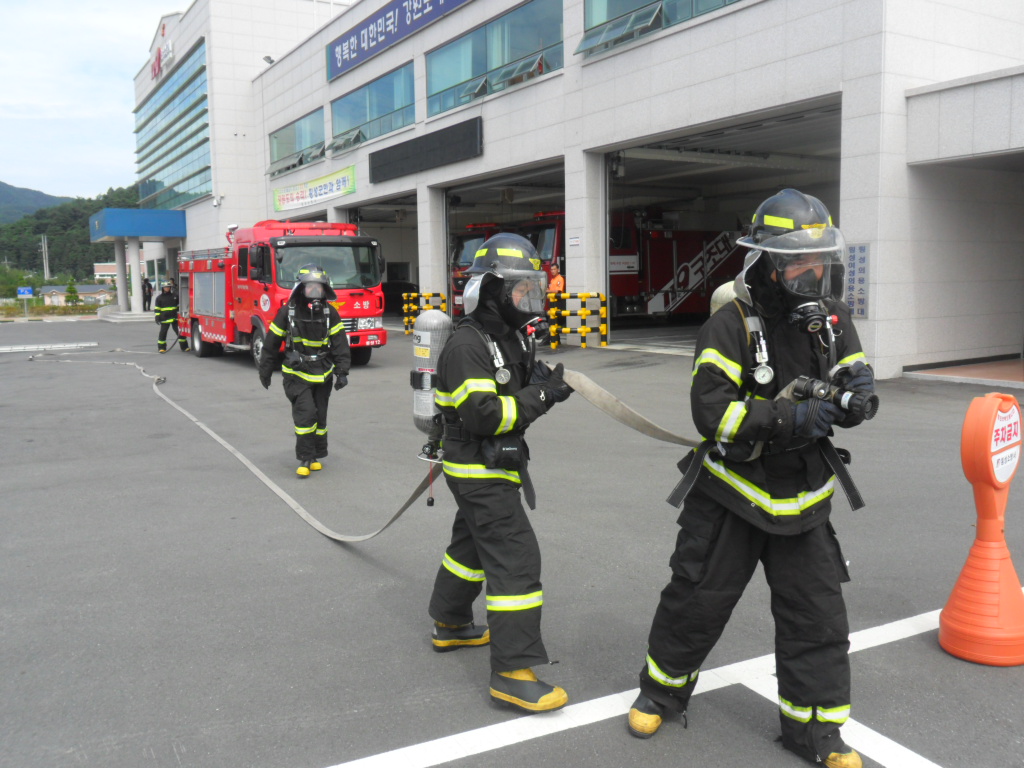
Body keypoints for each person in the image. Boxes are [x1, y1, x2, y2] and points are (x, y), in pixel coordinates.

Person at [626, 189, 875, 768]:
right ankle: (660, 692)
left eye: (820, 261)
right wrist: (790, 417)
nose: (812, 273)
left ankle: (816, 732)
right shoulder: (729, 324)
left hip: (804, 499)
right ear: (766, 260)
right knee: (696, 600)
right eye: (798, 262)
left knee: (817, 618)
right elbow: (713, 414)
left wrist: (857, 394)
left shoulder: (831, 319)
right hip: (732, 496)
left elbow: (852, 371)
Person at [428, 233, 574, 713]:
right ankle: (512, 673)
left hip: (491, 463)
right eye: (519, 289)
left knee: (470, 547)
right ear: (491, 291)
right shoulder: (466, 345)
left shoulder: (506, 336)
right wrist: (542, 396)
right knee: (515, 558)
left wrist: (540, 383)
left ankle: (450, 623)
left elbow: (513, 387)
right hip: (477, 468)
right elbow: (485, 415)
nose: (527, 298)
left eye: (531, 288)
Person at [258, 264, 351, 478]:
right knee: (306, 415)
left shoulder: (330, 313)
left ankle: (316, 454)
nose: (315, 292)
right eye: (310, 287)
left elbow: (340, 344)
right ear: (301, 288)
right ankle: (305, 458)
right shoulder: (288, 312)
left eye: (319, 287)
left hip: (323, 373)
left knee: (320, 417)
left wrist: (342, 372)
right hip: (296, 374)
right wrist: (265, 370)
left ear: (325, 289)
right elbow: (271, 343)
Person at [154, 280, 188, 353]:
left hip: (174, 317)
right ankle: (161, 348)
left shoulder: (175, 296)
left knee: (180, 332)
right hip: (164, 318)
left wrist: (181, 315)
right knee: (163, 333)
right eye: (165, 287)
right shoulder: (159, 298)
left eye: (168, 287)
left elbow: (179, 306)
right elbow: (157, 308)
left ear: (170, 287)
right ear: (162, 288)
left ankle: (184, 347)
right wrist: (157, 316)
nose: (167, 288)